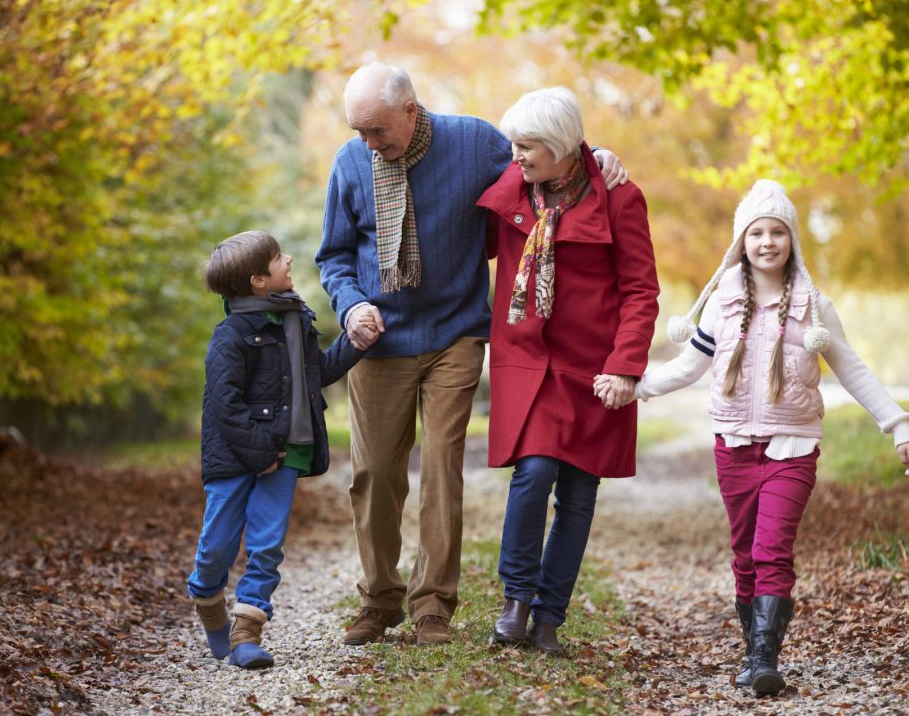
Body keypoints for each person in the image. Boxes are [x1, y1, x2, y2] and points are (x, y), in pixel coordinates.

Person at [316, 63, 627, 646]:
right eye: (358, 130)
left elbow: (547, 160)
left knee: (440, 463)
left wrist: (597, 154)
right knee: (375, 473)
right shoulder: (351, 163)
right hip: (378, 338)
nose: (367, 143)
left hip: (456, 332)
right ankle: (380, 598)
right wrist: (351, 303)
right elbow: (333, 255)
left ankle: (433, 604)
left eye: (377, 130)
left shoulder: (474, 142)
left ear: (410, 111)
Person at [629, 179, 909, 696]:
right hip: (733, 444)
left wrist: (898, 424)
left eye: (777, 231)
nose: (767, 242)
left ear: (791, 240)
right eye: (756, 232)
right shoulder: (721, 303)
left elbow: (853, 369)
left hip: (793, 447)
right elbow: (691, 364)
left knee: (771, 550)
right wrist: (638, 387)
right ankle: (752, 648)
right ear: (741, 241)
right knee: (744, 553)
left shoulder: (814, 306)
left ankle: (764, 659)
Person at [478, 86, 659, 654]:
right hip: (528, 362)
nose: (517, 156)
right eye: (515, 144)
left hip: (595, 368)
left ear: (560, 148)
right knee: (533, 475)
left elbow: (639, 290)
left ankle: (549, 620)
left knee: (579, 494)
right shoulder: (512, 186)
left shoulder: (620, 197)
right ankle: (516, 602)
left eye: (529, 146)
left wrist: (626, 367)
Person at [187, 230, 375, 668]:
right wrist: (260, 451)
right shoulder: (231, 335)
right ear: (257, 280)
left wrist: (355, 343)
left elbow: (315, 375)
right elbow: (225, 404)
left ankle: (247, 631)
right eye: (277, 258)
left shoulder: (296, 321)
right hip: (236, 457)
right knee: (217, 545)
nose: (289, 259)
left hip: (287, 452)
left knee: (267, 544)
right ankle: (208, 602)